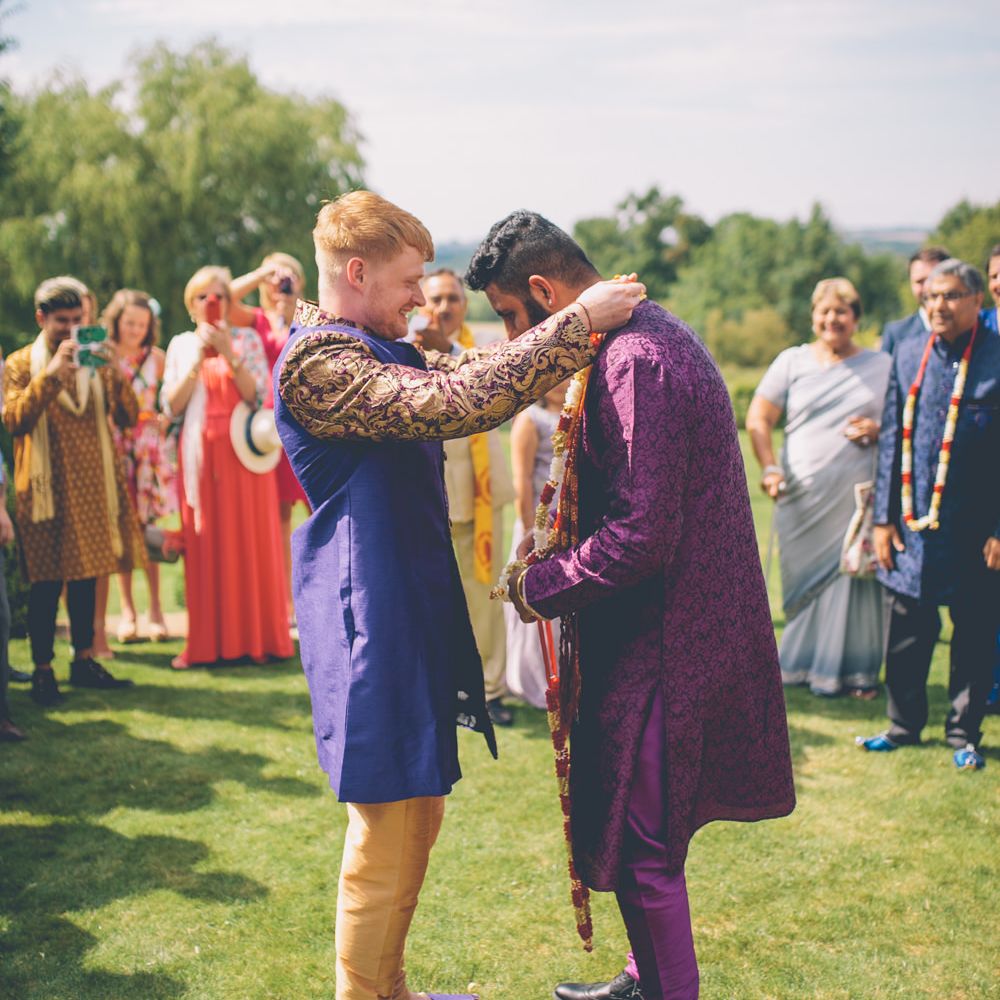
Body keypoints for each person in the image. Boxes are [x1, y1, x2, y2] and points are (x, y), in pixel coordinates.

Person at [273, 190, 644, 1000]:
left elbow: (470, 370)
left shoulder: (377, 347)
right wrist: (576, 322)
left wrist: (570, 330)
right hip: (367, 614)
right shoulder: (318, 363)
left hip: (404, 601)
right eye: (410, 280)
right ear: (359, 272)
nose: (420, 297)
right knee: (384, 819)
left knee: (420, 805)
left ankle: (390, 988)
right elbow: (451, 402)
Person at [466, 211, 795, 1000]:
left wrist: (540, 586)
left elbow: (642, 534)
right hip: (657, 628)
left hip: (669, 641)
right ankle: (645, 976)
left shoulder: (635, 360)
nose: (512, 338)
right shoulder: (635, 338)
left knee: (646, 847)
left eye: (511, 316)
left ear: (545, 291)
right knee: (630, 822)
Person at [859, 259, 1000, 771]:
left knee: (974, 631)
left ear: (977, 301)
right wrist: (882, 521)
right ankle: (903, 726)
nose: (939, 305)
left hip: (977, 529)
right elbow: (891, 440)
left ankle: (964, 734)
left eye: (952, 295)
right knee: (906, 630)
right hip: (912, 526)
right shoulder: (908, 352)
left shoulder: (996, 355)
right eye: (932, 296)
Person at [2, 276, 145, 705]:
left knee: (87, 577)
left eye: (76, 320)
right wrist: (50, 376)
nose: (70, 329)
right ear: (41, 318)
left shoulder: (96, 361)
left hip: (93, 485)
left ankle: (84, 660)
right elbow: (13, 421)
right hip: (42, 490)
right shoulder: (20, 364)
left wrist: (115, 369)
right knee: (46, 583)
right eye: (61, 321)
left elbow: (130, 417)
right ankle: (43, 670)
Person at [747, 279, 892, 698]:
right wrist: (769, 467)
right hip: (800, 496)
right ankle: (797, 666)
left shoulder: (882, 365)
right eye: (824, 311)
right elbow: (758, 419)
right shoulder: (791, 362)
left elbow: (904, 423)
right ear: (813, 317)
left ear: (856, 318)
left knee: (852, 581)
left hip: (854, 497)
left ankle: (854, 673)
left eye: (841, 311)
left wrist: (878, 429)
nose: (832, 319)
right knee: (803, 584)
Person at [161, 266, 293, 670]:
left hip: (245, 457)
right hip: (201, 460)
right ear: (191, 305)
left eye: (218, 294)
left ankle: (256, 640)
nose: (211, 302)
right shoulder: (181, 345)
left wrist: (229, 354)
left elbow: (258, 395)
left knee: (251, 544)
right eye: (202, 296)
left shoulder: (246, 339)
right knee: (206, 546)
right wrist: (198, 359)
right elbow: (172, 406)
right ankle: (206, 644)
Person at [416, 267, 516, 726]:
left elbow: (490, 385)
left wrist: (449, 351)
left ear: (464, 305)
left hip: (479, 494)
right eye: (435, 298)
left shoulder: (480, 349)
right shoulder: (405, 349)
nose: (444, 307)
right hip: (427, 495)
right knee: (428, 597)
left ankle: (490, 691)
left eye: (452, 299)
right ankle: (438, 689)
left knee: (485, 598)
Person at [231, 253, 311, 625]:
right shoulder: (258, 320)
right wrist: (263, 272)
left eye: (287, 274)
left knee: (318, 510)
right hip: (270, 429)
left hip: (308, 426)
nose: (281, 282)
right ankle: (285, 604)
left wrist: (292, 304)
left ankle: (321, 595)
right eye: (274, 277)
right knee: (278, 517)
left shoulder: (310, 316)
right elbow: (224, 299)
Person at [101, 289, 176, 643]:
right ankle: (128, 611)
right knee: (122, 531)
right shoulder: (104, 356)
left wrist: (164, 418)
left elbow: (169, 401)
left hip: (147, 450)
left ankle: (156, 610)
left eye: (141, 324)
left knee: (148, 529)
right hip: (116, 446)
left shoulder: (157, 359)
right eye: (129, 322)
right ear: (116, 321)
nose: (135, 330)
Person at [503, 383, 566, 710]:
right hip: (537, 527)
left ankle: (563, 675)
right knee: (535, 599)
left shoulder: (575, 414)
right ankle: (533, 679)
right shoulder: (530, 419)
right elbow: (523, 480)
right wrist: (532, 531)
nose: (562, 383)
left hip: (566, 527)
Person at [880, 246, 950, 355]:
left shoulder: (968, 328)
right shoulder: (896, 334)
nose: (927, 287)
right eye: (920, 281)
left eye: (933, 279)